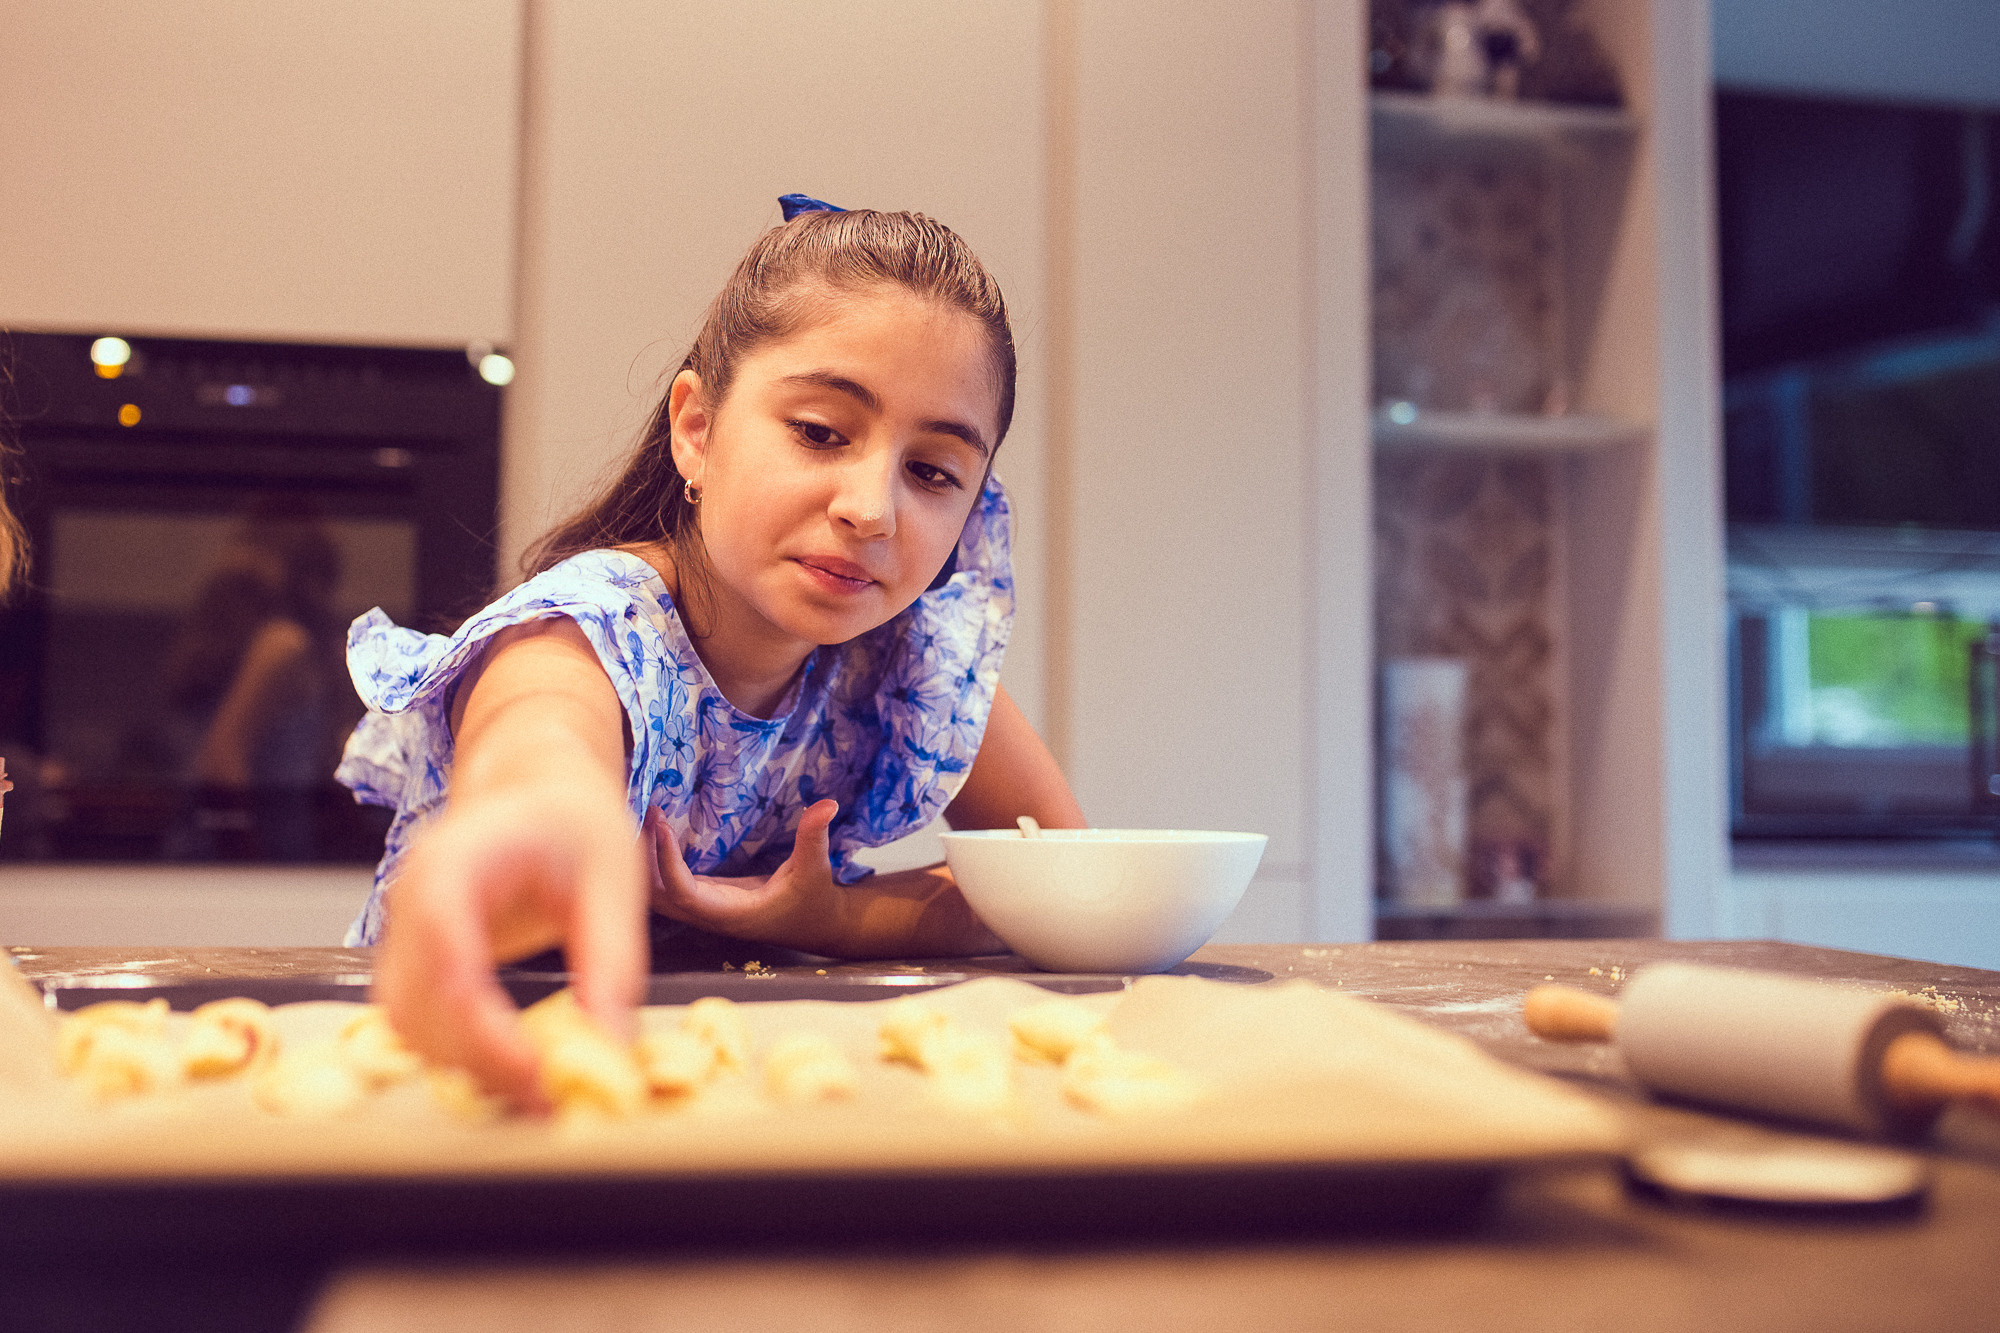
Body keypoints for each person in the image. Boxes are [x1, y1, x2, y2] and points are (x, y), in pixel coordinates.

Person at [338, 199, 1085, 1105]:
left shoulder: (908, 660)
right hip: (467, 1090)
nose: (872, 509)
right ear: (696, 429)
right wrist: (550, 815)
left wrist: (837, 917)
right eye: (820, 432)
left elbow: (1059, 876)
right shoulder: (593, 625)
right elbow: (543, 735)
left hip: (724, 1111)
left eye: (932, 471)